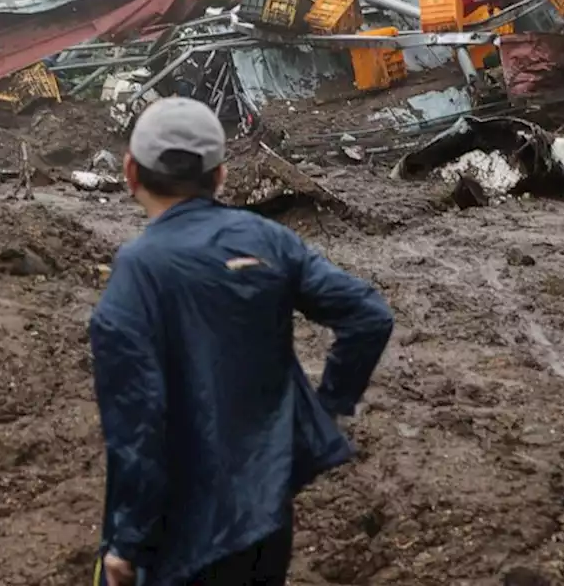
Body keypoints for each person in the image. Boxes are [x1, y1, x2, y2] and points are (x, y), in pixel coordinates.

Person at [91, 97, 395, 586]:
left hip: (181, 534)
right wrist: (327, 407)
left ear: (130, 172)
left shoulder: (137, 273)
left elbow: (138, 420)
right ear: (221, 176)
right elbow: (368, 316)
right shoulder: (269, 240)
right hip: (265, 514)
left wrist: (127, 540)